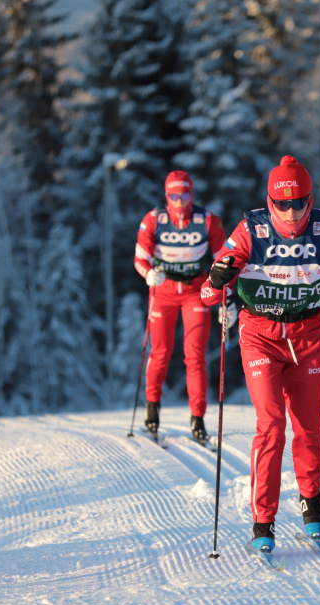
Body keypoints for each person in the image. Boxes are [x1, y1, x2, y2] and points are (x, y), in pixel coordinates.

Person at [201, 155, 320, 553]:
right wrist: (218, 280)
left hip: (307, 334)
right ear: (270, 201)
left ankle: (310, 499)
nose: (291, 212)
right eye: (282, 204)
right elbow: (208, 291)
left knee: (309, 426)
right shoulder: (251, 229)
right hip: (260, 334)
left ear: (310, 198)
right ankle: (263, 520)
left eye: (299, 203)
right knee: (271, 424)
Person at [134, 170, 231, 444]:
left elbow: (223, 263)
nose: (179, 202)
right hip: (163, 292)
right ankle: (152, 411)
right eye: (174, 196)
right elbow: (140, 258)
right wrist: (148, 274)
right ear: (166, 196)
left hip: (195, 291)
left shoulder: (207, 220)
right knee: (161, 351)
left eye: (185, 195)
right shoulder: (154, 220)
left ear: (192, 194)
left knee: (195, 355)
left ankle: (197, 419)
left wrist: (226, 298)